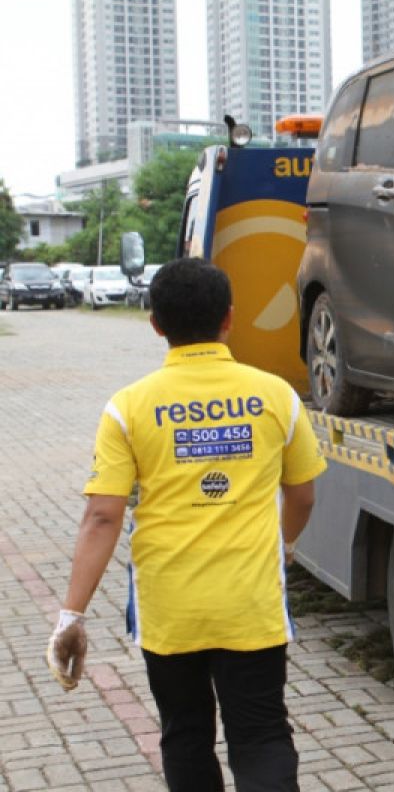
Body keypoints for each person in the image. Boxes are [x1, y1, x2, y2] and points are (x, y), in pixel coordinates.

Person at [46, 259, 327, 791]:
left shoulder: (128, 408)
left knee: (185, 733)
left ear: (155, 324)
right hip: (251, 601)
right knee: (262, 734)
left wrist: (71, 615)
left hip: (169, 606)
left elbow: (103, 515)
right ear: (230, 318)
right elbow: (304, 495)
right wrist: (284, 546)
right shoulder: (276, 396)